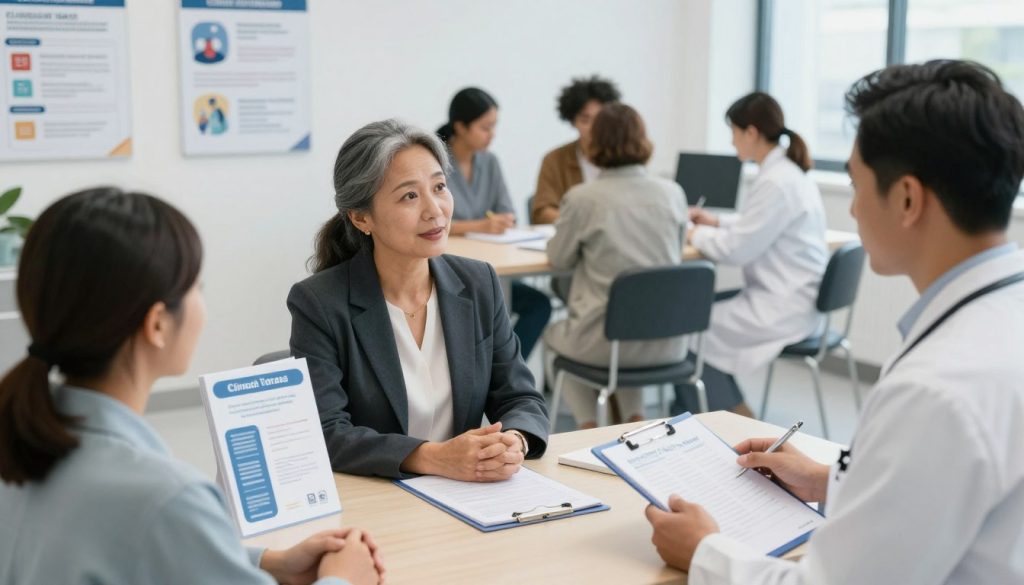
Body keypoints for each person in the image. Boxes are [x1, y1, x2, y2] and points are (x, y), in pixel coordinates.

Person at [646, 60, 1024, 584]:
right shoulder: (997, 322)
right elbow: (938, 493)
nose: (853, 209)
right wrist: (828, 479)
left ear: (908, 199)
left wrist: (704, 551)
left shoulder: (937, 390)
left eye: (855, 183)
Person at [0, 188, 384, 585]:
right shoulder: (165, 499)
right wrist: (343, 579)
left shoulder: (22, 442)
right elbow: (156, 531)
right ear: (158, 325)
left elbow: (125, 551)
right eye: (195, 287)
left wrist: (263, 562)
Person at [288, 119, 549, 481]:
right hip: (378, 497)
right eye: (410, 195)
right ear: (361, 217)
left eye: (439, 187)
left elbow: (521, 397)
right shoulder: (319, 302)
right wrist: (433, 458)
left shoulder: (478, 283)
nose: (435, 209)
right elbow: (327, 430)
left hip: (467, 493)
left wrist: (514, 441)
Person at [678, 92, 828, 417]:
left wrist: (693, 233)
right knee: (698, 312)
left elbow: (737, 249)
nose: (732, 142)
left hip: (782, 305)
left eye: (733, 132)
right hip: (793, 297)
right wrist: (717, 221)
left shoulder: (776, 181)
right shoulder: (788, 172)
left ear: (751, 132)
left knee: (690, 329)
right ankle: (702, 412)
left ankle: (738, 420)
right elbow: (759, 224)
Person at [543, 103, 687, 428]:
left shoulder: (584, 198)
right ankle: (636, 420)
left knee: (555, 337)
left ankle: (588, 427)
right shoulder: (673, 193)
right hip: (670, 343)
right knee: (630, 322)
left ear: (595, 143)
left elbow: (560, 258)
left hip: (604, 343)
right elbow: (675, 256)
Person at [436, 87, 552, 360]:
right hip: (449, 270)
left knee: (539, 305)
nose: (492, 134)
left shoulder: (490, 162)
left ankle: (507, 374)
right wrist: (478, 225)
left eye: (494, 126)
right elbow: (431, 221)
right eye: (484, 127)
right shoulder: (434, 161)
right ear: (460, 127)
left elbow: (507, 210)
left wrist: (505, 220)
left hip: (492, 271)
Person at [531, 75, 621, 225]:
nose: (594, 128)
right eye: (585, 120)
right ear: (573, 122)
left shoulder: (624, 156)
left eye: (600, 119)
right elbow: (542, 212)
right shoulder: (555, 159)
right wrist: (581, 222)